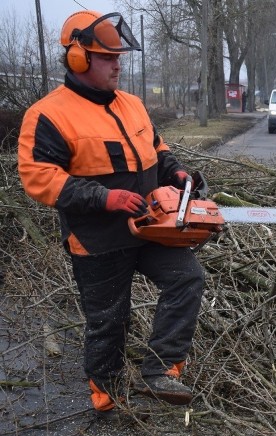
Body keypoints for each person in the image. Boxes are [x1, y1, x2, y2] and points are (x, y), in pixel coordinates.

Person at [17, 10, 205, 412]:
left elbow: (156, 148)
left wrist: (176, 172)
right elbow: (38, 176)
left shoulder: (132, 104)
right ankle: (107, 395)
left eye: (118, 56)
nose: (117, 64)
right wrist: (104, 197)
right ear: (78, 58)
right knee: (108, 318)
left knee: (187, 278)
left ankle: (161, 369)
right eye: (106, 57)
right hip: (97, 236)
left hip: (150, 225)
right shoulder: (49, 114)